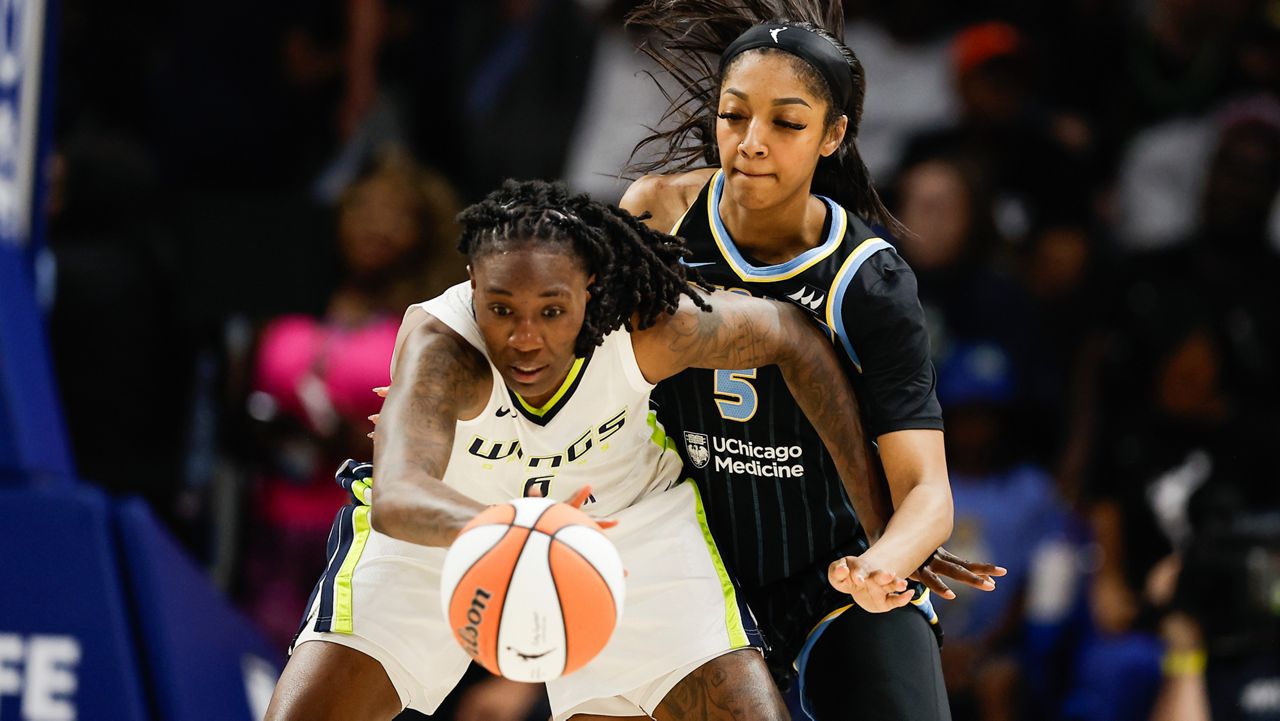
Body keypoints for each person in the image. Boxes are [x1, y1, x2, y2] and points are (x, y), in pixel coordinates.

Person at [265, 179, 905, 721]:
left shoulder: (650, 326)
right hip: (442, 532)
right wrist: (527, 534)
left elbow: (792, 337)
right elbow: (399, 496)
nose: (523, 338)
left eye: (551, 311)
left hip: (629, 527)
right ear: (471, 286)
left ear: (593, 290)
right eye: (500, 308)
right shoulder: (443, 345)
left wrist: (881, 526)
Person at [619, 2, 1003, 718]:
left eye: (786, 122)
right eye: (734, 116)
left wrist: (881, 567)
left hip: (832, 568)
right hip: (691, 573)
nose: (752, 142)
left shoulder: (867, 278)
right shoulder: (659, 217)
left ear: (834, 135)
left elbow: (927, 491)